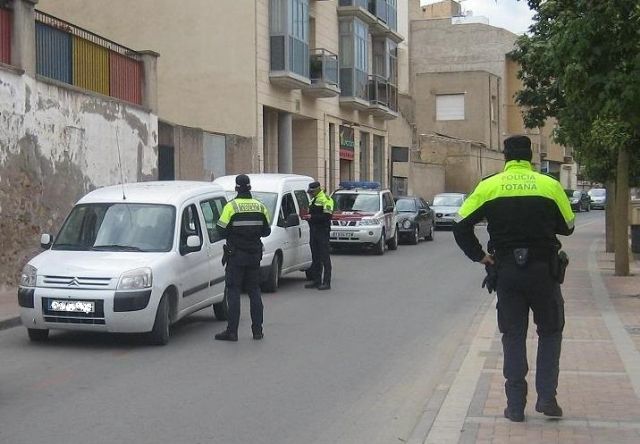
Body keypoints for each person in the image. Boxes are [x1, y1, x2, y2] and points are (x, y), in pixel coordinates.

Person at [452, 135, 575, 422]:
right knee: (550, 332)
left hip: (506, 271)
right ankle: (547, 398)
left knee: (513, 335)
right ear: (530, 156)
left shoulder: (489, 186)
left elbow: (460, 226)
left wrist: (481, 256)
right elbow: (568, 226)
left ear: (505, 156)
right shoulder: (549, 185)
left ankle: (516, 406)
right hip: (544, 272)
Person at [215, 174, 271, 342]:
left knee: (233, 292)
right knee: (254, 292)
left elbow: (220, 230)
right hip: (254, 256)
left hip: (236, 257)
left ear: (236, 188)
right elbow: (266, 231)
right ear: (250, 188)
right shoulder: (260, 207)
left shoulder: (231, 207)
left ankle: (232, 332)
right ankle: (257, 331)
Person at [305, 181, 334, 290]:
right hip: (314, 231)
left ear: (317, 190)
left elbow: (327, 216)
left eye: (311, 192)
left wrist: (311, 217)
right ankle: (316, 280)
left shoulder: (326, 199)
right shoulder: (313, 199)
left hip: (322, 231)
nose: (310, 194)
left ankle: (327, 282)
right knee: (315, 256)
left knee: (324, 257)